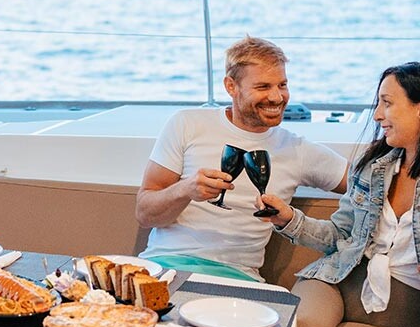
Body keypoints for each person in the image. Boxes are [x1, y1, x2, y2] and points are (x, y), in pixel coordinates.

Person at [136, 36, 347, 281]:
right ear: (231, 86)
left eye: (282, 85)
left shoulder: (297, 149)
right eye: (263, 87)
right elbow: (145, 214)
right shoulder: (186, 124)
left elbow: (364, 186)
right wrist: (184, 190)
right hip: (165, 266)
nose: (277, 97)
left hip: (238, 277)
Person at [259, 62, 420, 327]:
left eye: (387, 103)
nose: (377, 115)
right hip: (337, 280)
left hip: (400, 318)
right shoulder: (375, 168)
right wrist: (289, 220)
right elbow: (340, 235)